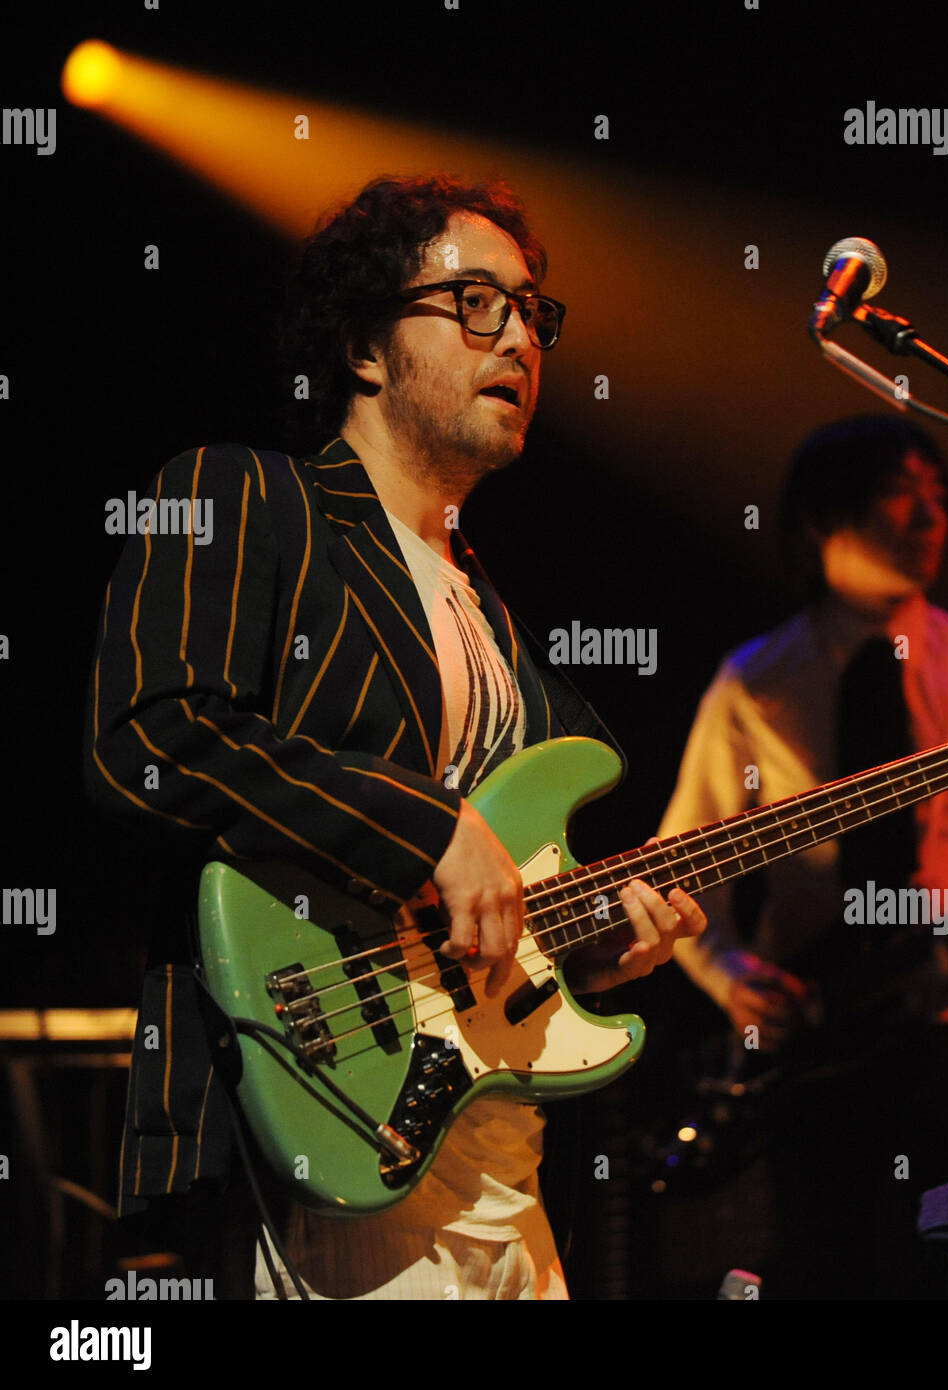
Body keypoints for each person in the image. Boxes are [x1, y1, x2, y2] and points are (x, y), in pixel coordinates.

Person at [85, 174, 706, 1300]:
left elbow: (476, 920)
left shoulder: (500, 626)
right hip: (311, 1142)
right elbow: (150, 734)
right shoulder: (243, 496)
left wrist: (590, 940)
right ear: (368, 347)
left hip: (502, 1174)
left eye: (532, 312)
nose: (519, 335)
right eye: (477, 302)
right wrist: (426, 827)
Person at [657, 415, 948, 1298]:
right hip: (816, 1042)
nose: (929, 518)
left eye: (941, 498)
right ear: (820, 518)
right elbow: (681, 872)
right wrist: (732, 979)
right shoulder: (754, 680)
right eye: (898, 493)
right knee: (824, 1268)